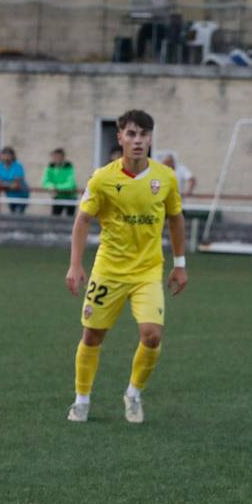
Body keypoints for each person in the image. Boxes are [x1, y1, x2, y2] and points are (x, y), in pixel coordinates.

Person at [65, 110, 187, 424]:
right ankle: (82, 399)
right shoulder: (103, 178)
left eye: (143, 135)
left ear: (150, 138)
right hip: (109, 271)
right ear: (120, 138)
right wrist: (75, 265)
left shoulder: (166, 178)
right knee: (92, 336)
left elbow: (176, 220)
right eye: (131, 134)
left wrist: (180, 264)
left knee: (152, 336)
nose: (137, 141)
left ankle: (133, 394)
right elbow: (82, 220)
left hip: (148, 271)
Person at [0, 146, 29, 214]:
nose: (6, 157)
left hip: (22, 195)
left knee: (19, 214)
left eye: (9, 154)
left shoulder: (18, 166)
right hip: (10, 195)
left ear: (13, 156)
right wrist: (8, 184)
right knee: (13, 213)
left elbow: (16, 184)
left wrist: (3, 184)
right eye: (4, 154)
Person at [43, 148, 78, 217]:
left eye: (59, 157)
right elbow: (45, 181)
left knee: (70, 220)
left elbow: (70, 184)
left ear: (63, 157)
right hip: (57, 197)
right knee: (55, 219)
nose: (57, 159)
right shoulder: (50, 167)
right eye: (55, 157)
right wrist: (51, 186)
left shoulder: (69, 167)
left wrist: (56, 187)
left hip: (70, 197)